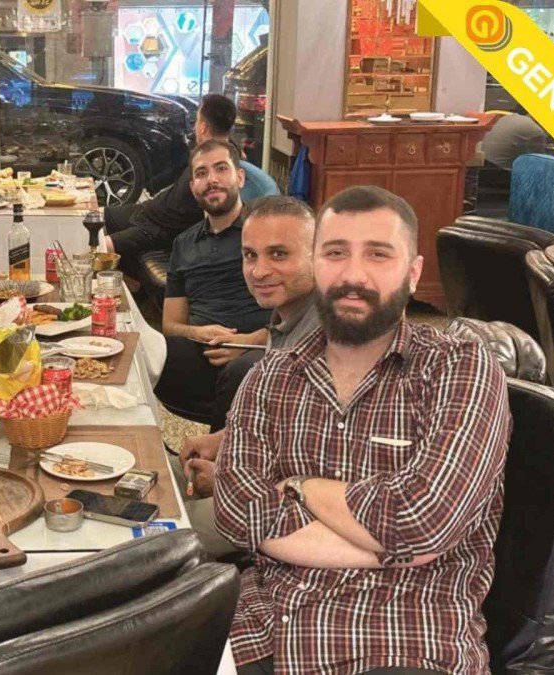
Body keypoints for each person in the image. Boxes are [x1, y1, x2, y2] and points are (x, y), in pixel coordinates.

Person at [215, 185, 511, 674]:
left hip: (403, 639)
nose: (353, 275)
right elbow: (237, 508)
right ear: (316, 263)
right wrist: (393, 551)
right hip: (264, 629)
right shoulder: (270, 375)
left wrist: (299, 487)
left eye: (378, 254)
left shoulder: (460, 368)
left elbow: (420, 518)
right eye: (336, 253)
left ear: (413, 273)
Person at [173, 196, 319, 557]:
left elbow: (315, 464)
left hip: (290, 518)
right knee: (147, 477)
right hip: (258, 482)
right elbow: (280, 419)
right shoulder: (289, 318)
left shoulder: (333, 336)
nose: (258, 271)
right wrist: (222, 439)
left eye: (279, 255)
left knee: (152, 538)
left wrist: (225, 478)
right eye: (251, 255)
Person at [153, 138, 269, 421]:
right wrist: (197, 333)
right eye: (201, 173)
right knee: (148, 351)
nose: (211, 180)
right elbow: (171, 324)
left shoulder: (265, 230)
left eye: (221, 169)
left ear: (239, 178)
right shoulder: (183, 243)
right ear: (192, 186)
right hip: (202, 350)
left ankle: (218, 456)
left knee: (241, 372)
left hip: (260, 346)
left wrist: (249, 341)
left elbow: (301, 310)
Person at [102, 94, 237, 276]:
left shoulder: (206, 163)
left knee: (99, 246)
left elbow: (191, 217)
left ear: (203, 127)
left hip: (160, 229)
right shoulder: (221, 153)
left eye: (197, 121)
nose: (195, 127)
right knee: (98, 216)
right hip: (150, 212)